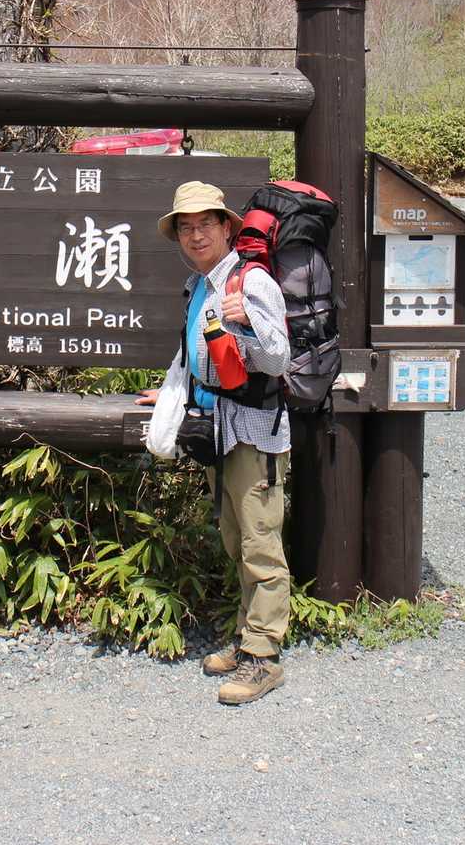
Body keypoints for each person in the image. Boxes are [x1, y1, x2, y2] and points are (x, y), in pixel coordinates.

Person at [137, 180, 292, 705]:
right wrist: (172, 389)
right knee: (235, 539)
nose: (196, 234)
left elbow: (278, 358)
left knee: (260, 543)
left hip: (254, 433)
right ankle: (248, 638)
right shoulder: (200, 285)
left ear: (227, 227)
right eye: (186, 227)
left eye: (206, 223)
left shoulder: (251, 282)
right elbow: (197, 353)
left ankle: (263, 658)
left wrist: (249, 322)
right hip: (218, 430)